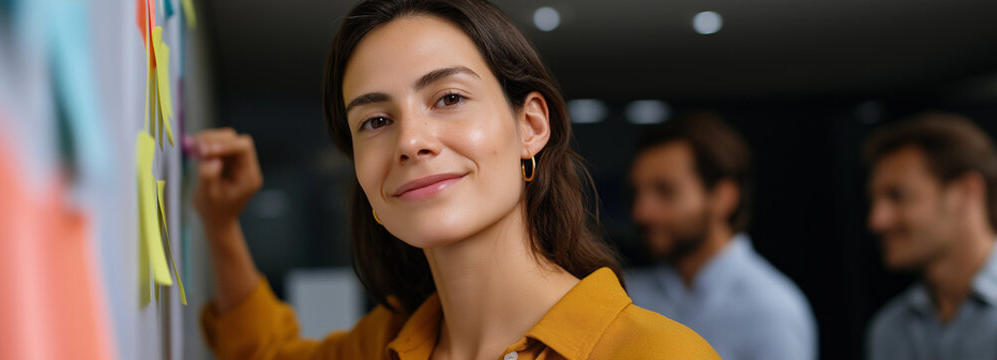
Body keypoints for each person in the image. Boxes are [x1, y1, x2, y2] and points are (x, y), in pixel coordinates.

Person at [189, 1, 719, 359]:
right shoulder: (388, 342)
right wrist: (221, 224)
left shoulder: (658, 352)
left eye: (449, 98)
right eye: (375, 121)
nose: (409, 141)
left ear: (530, 126)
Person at [624, 113, 817, 360]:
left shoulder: (772, 309)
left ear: (723, 198)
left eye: (665, 191)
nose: (642, 212)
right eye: (636, 193)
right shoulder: (631, 295)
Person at [864, 113, 997, 360]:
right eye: (874, 201)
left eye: (897, 196)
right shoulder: (889, 330)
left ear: (966, 192)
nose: (877, 220)